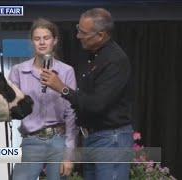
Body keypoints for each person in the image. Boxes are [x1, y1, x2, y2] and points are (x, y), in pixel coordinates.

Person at [40, 8, 134, 180]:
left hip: (111, 140)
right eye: (78, 29)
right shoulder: (90, 56)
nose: (78, 36)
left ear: (101, 35)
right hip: (91, 139)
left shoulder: (115, 60)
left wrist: (63, 88)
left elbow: (97, 104)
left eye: (83, 33)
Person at [8, 18, 78, 180]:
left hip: (58, 140)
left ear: (55, 41)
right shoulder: (18, 71)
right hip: (31, 140)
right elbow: (11, 107)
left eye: (46, 38)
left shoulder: (66, 71)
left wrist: (68, 155)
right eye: (37, 38)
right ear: (32, 42)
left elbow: (71, 113)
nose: (42, 42)